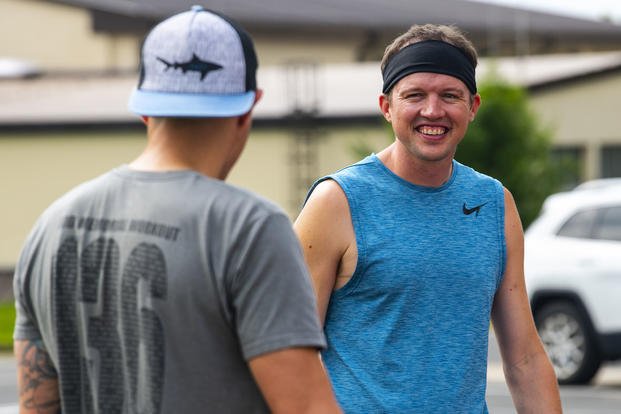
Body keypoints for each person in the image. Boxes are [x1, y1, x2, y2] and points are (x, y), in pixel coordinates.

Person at [13, 6, 341, 414]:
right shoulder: (251, 228)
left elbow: (37, 404)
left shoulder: (52, 226)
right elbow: (306, 407)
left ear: (144, 109)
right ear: (247, 109)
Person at [294, 24, 562, 413]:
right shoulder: (336, 202)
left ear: (472, 106)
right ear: (387, 106)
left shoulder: (494, 203)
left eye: (450, 96)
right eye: (414, 95)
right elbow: (291, 354)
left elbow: (524, 359)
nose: (432, 111)